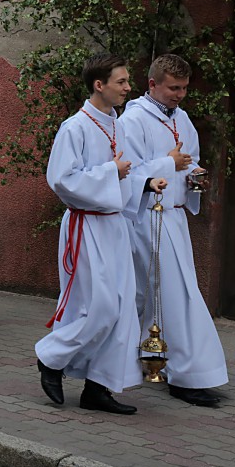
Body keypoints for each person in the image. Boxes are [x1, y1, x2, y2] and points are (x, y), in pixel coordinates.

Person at [36, 53, 166, 415]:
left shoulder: (116, 125)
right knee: (100, 307)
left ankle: (99, 387)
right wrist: (111, 171)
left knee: (123, 309)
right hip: (86, 225)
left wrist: (143, 183)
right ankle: (51, 358)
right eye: (121, 82)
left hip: (114, 226)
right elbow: (62, 180)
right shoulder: (74, 127)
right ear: (99, 85)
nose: (128, 88)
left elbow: (129, 170)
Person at [120, 54, 228, 407]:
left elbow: (189, 159)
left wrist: (195, 175)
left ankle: (154, 360)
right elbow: (127, 172)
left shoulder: (181, 117)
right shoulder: (133, 119)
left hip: (174, 216)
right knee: (177, 294)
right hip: (150, 215)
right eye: (173, 88)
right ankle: (187, 374)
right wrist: (170, 163)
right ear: (152, 84)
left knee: (158, 296)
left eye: (184, 88)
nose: (180, 95)